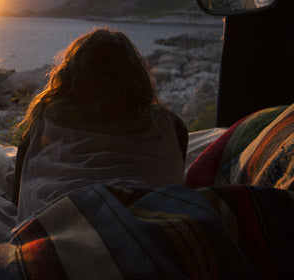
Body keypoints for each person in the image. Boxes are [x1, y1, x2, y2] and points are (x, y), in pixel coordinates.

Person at [13, 28, 188, 222]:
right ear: (137, 74)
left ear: (70, 75)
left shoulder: (45, 121)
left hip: (61, 227)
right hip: (145, 229)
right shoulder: (168, 125)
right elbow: (176, 178)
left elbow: (18, 195)